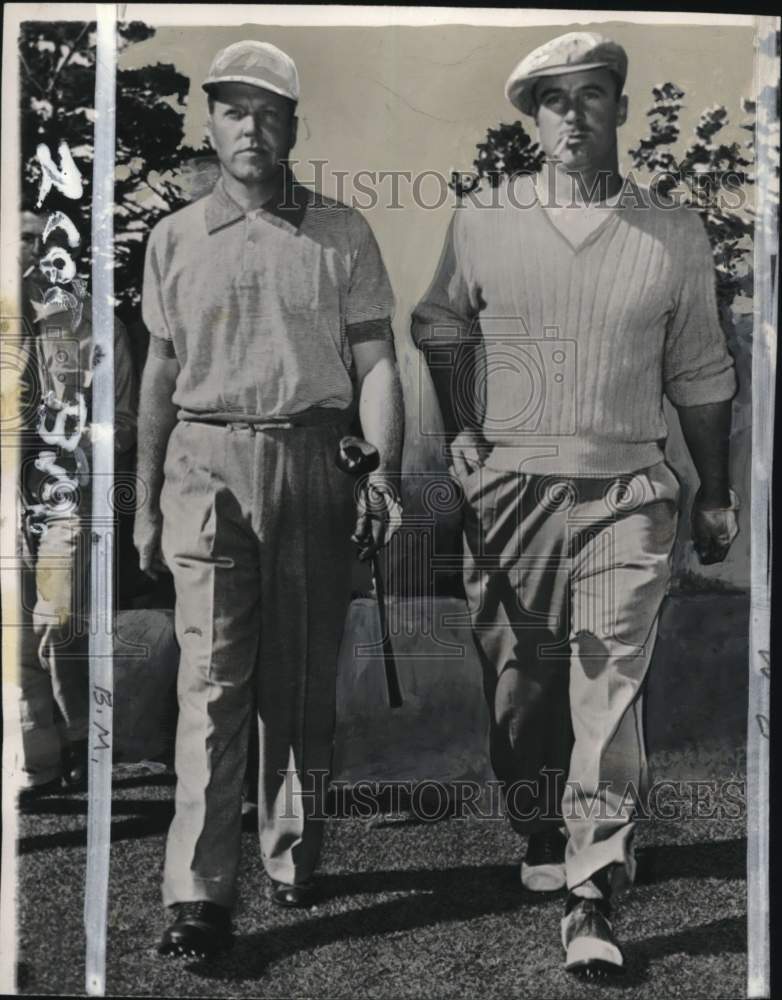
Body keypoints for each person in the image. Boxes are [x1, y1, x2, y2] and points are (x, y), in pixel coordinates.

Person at [413, 31, 739, 978]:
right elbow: (438, 325)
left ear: (620, 108)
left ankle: (595, 887)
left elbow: (703, 372)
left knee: (610, 685)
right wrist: (465, 432)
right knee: (522, 692)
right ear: (532, 118)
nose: (572, 114)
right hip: (511, 488)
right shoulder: (482, 221)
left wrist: (712, 493)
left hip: (629, 485)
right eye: (552, 100)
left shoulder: (675, 232)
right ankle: (539, 825)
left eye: (591, 94)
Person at [134, 40, 404, 959]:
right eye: (235, 110)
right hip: (204, 464)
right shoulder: (171, 238)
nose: (253, 127)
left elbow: (377, 365)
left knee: (297, 680)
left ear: (295, 126)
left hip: (314, 462)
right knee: (209, 683)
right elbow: (158, 379)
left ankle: (292, 852)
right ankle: (198, 893)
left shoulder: (343, 233)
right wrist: (141, 501)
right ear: (209, 124)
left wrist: (382, 474)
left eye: (271, 111)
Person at [17, 210, 137, 796]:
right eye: (20, 239)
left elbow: (131, 420)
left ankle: (82, 747)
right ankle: (38, 765)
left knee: (59, 623)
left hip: (69, 495)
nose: (34, 252)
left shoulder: (95, 323)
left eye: (46, 241)